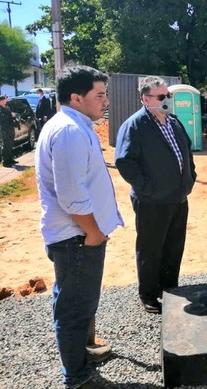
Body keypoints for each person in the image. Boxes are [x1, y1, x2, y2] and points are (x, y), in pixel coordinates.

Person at [35, 65, 123, 388]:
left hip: (80, 236)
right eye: (99, 95)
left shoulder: (75, 124)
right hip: (78, 238)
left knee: (80, 300)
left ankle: (83, 354)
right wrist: (94, 232)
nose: (105, 101)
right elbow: (72, 198)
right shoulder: (69, 131)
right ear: (76, 97)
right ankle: (77, 376)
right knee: (74, 307)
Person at [115, 76, 196, 315]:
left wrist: (190, 177)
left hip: (178, 198)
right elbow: (125, 162)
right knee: (151, 249)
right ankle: (148, 294)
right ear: (145, 99)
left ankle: (169, 288)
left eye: (168, 96)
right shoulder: (135, 125)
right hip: (151, 201)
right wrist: (147, 188)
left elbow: (186, 151)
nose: (167, 100)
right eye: (161, 97)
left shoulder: (173, 122)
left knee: (174, 246)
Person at [0, 94, 17, 167]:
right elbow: (2, 118)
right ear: (1, 101)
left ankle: (10, 159)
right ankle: (5, 161)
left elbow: (10, 117)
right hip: (4, 130)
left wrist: (13, 116)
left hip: (10, 128)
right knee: (6, 145)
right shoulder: (1, 110)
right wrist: (10, 114)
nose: (6, 101)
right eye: (4, 100)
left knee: (10, 144)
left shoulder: (6, 108)